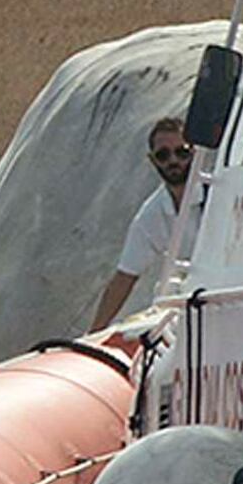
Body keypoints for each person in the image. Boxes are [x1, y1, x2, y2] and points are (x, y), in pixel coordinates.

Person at [88, 115, 198, 330]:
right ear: (153, 160)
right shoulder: (153, 213)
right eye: (163, 155)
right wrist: (93, 332)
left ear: (195, 152)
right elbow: (125, 276)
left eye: (181, 152)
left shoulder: (219, 195)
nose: (173, 161)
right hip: (188, 310)